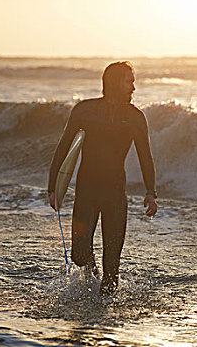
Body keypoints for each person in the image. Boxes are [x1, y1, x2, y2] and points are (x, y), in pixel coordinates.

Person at [48, 61, 157, 295]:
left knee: (112, 269)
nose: (133, 88)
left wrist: (151, 192)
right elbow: (64, 147)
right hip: (86, 192)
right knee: (79, 255)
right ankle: (91, 279)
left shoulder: (135, 118)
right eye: (130, 82)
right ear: (117, 83)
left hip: (115, 195)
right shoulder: (84, 111)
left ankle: (103, 318)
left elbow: (145, 156)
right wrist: (53, 187)